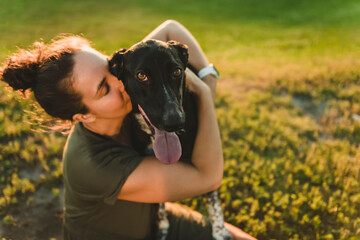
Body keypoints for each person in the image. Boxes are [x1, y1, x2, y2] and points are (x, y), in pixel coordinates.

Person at [0, 20, 256, 240]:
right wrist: (201, 91)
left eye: (112, 68)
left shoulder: (125, 79)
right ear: (83, 116)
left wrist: (208, 74)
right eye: (104, 88)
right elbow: (207, 177)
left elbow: (170, 29)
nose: (121, 83)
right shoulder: (94, 165)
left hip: (154, 219)